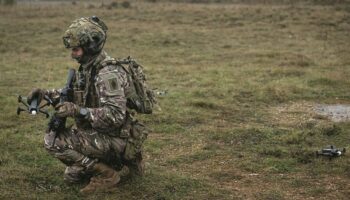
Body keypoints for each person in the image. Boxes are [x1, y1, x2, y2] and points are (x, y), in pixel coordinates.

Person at [26, 16, 151, 194]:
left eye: (76, 50)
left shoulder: (107, 74)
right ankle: (118, 164)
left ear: (90, 46)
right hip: (102, 134)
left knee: (53, 141)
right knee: (72, 176)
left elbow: (115, 116)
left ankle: (108, 173)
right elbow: (77, 94)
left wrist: (79, 111)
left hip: (116, 137)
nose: (73, 54)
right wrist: (46, 94)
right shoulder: (89, 68)